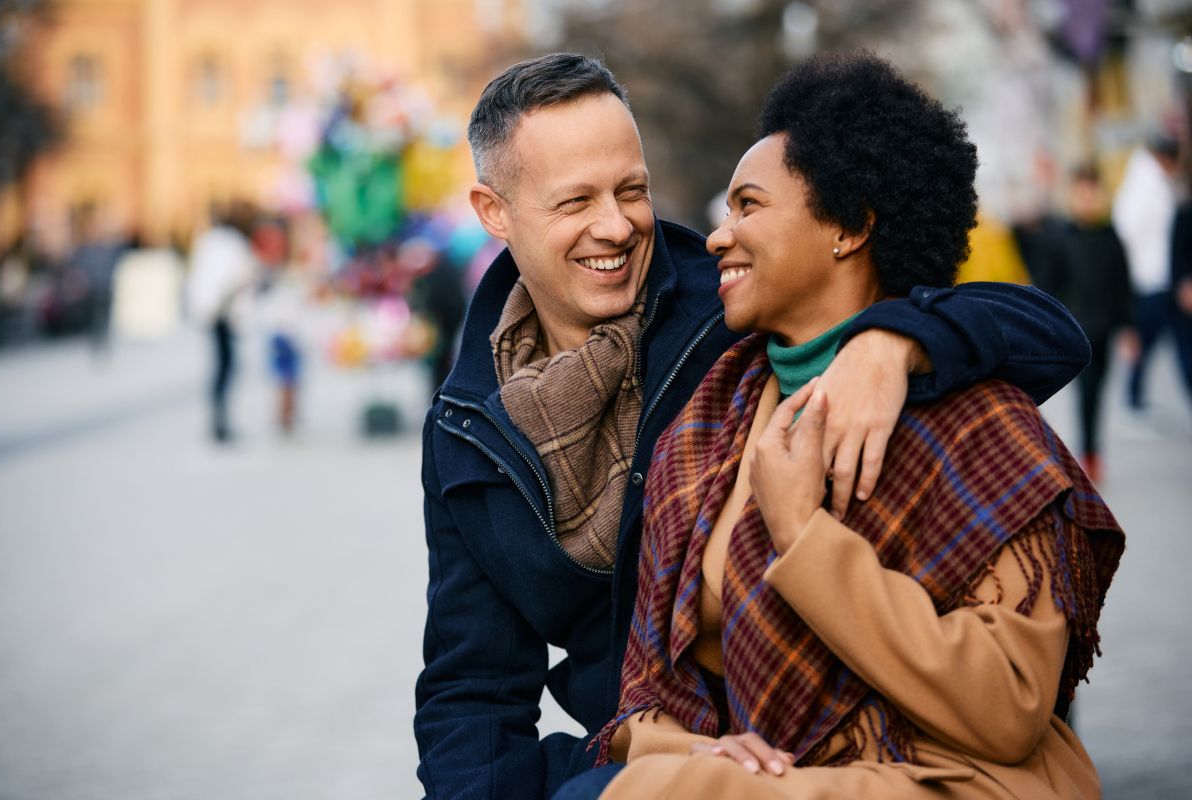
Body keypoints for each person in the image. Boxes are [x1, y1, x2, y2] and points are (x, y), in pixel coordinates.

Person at [415, 53, 1093, 800]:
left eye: (632, 190)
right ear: (493, 211)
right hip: (657, 741)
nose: (616, 225)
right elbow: (472, 684)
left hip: (821, 748)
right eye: (575, 202)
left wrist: (892, 341)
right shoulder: (468, 428)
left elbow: (1046, 331)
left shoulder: (735, 309)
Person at [1030, 165, 1133, 482]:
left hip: (1106, 328)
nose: (1088, 200)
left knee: (1099, 391)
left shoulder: (1111, 236)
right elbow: (1048, 285)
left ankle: (1091, 451)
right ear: (1073, 196)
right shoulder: (1061, 238)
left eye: (1093, 194)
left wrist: (1129, 328)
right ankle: (1088, 454)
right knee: (1086, 393)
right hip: (1078, 329)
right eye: (1082, 194)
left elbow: (1123, 284)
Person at [1112, 135, 1192, 412]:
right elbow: (1127, 234)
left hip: (1162, 279)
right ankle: (1133, 393)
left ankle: (1133, 393)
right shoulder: (1145, 186)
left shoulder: (1156, 183)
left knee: (1170, 341)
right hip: (1150, 280)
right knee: (1150, 340)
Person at [186, 203, 259, 443]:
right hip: (222, 313)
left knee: (223, 366)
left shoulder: (210, 242)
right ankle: (219, 419)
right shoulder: (229, 244)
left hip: (217, 311)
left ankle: (220, 418)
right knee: (225, 366)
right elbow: (237, 276)